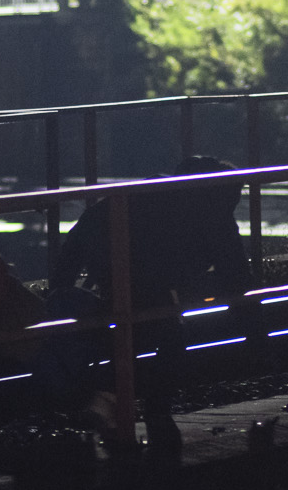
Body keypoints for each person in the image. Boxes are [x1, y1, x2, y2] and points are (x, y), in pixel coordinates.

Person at [43, 154, 252, 459]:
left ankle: (113, 400)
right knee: (167, 332)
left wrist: (59, 290)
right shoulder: (212, 208)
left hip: (117, 278)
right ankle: (150, 408)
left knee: (142, 323)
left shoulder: (143, 194)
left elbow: (78, 240)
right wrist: (252, 329)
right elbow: (236, 274)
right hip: (149, 286)